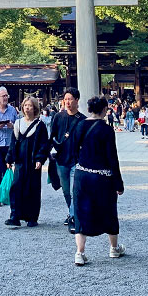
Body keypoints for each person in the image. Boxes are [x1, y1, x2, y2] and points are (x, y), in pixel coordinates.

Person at [71, 96, 125, 266]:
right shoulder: (107, 130)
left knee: (80, 211)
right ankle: (113, 248)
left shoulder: (79, 125)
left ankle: (80, 252)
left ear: (89, 109)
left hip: (82, 174)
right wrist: (118, 182)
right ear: (104, 110)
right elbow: (112, 158)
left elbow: (73, 149)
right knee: (108, 210)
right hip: (103, 176)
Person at [5, 96, 50, 228]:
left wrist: (40, 159)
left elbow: (43, 144)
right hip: (20, 159)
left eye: (30, 106)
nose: (27, 108)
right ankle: (15, 215)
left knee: (33, 187)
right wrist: (9, 158)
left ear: (35, 108)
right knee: (17, 186)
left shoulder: (39, 125)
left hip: (33, 159)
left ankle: (32, 217)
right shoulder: (18, 124)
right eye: (25, 105)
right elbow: (13, 143)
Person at [49, 88, 86, 233]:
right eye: (66, 99)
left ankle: (73, 217)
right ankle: (72, 212)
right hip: (61, 159)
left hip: (76, 159)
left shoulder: (82, 120)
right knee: (65, 191)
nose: (68, 102)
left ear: (77, 100)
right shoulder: (58, 117)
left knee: (73, 190)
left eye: (70, 99)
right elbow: (52, 135)